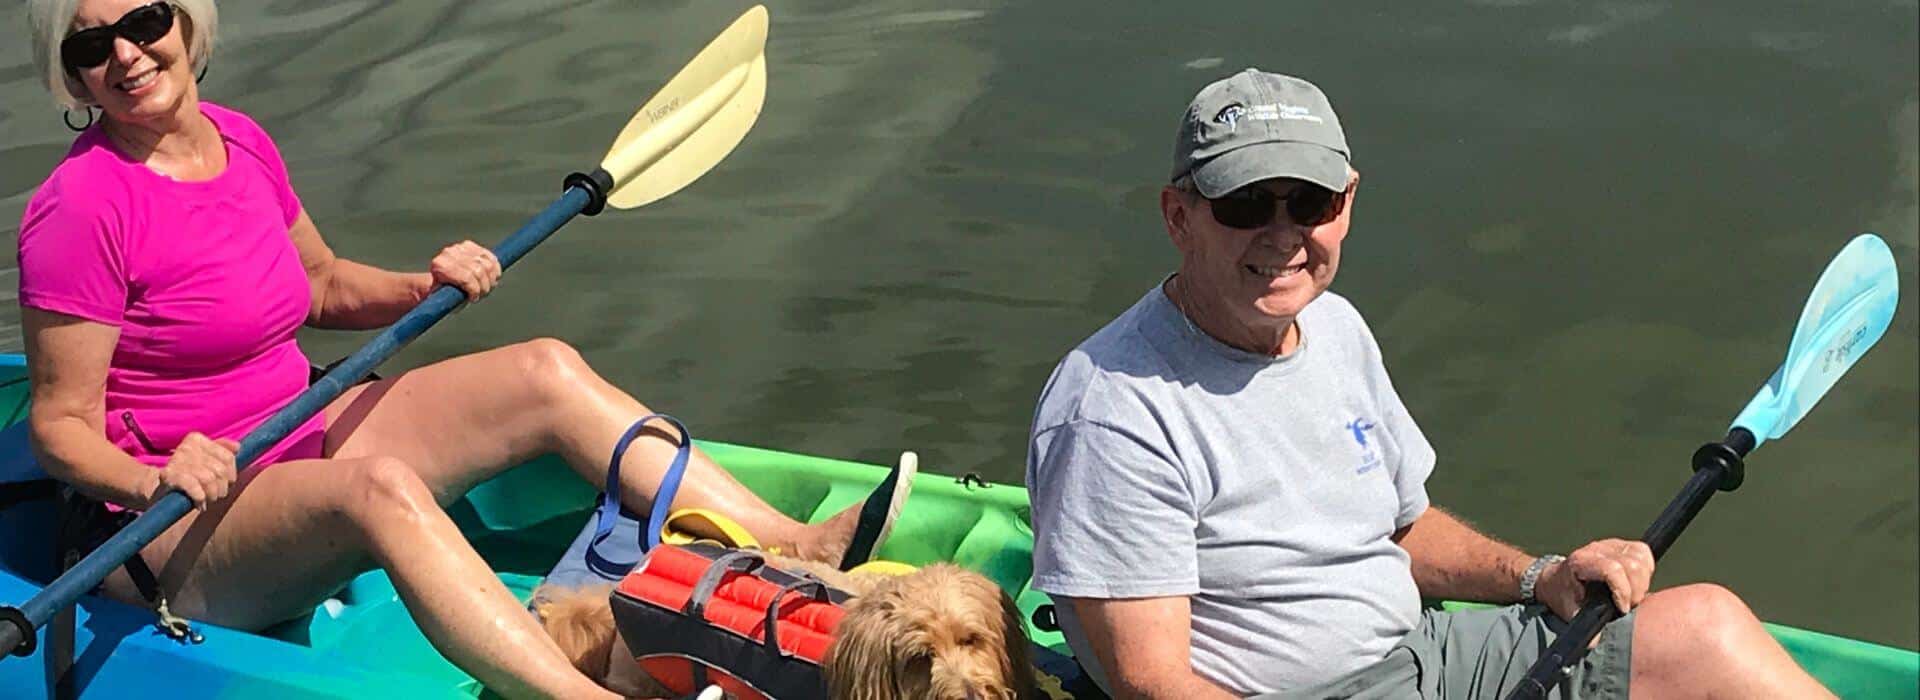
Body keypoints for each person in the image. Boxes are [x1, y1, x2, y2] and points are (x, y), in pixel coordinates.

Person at [17, 1, 903, 697]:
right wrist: (154, 480)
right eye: (91, 47)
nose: (125, 55)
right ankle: (576, 697)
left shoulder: (239, 140)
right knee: (379, 489)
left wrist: (424, 284)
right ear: (73, 78)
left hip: (294, 424)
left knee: (542, 369)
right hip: (167, 526)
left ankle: (799, 550)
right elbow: (59, 428)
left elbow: (320, 284)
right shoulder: (80, 208)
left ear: (184, 24)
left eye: (142, 24)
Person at [1023, 68, 1834, 699]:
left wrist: (1539, 575)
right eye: (1244, 205)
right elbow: (1150, 684)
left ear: (1347, 201)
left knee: (1707, 629)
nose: (1283, 236)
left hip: (1425, 657)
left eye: (1308, 201)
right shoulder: (1111, 410)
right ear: (1178, 215)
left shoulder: (1335, 327)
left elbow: (1402, 528)